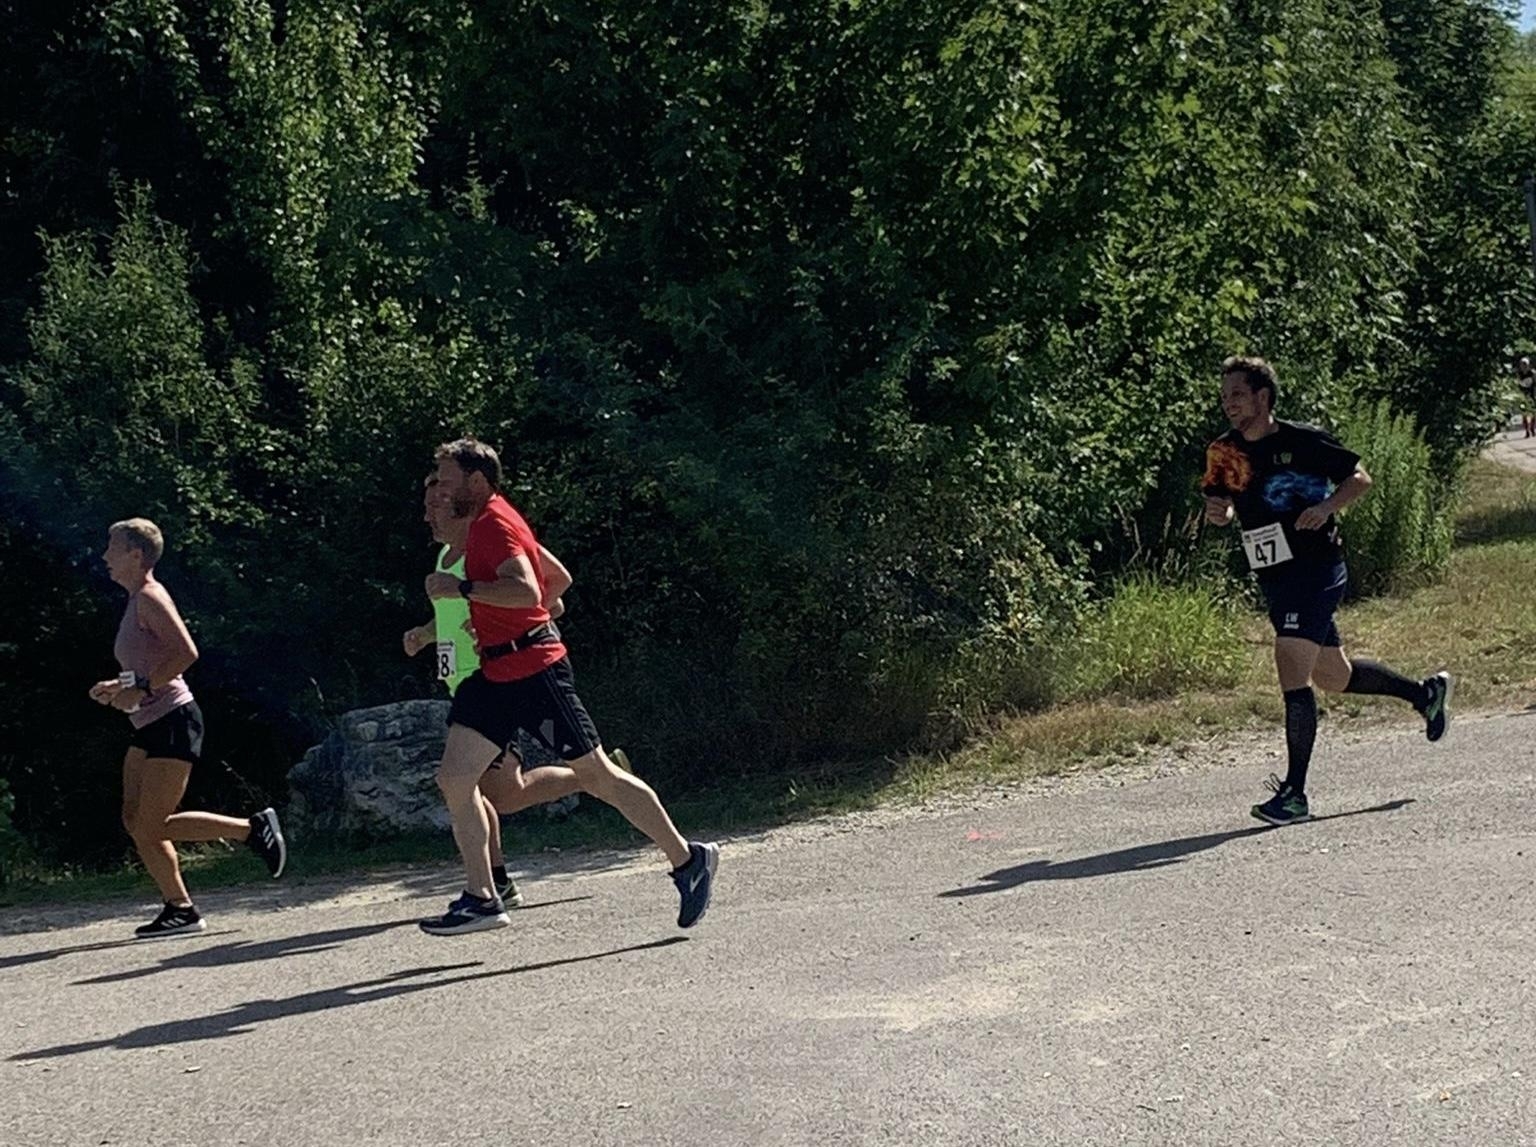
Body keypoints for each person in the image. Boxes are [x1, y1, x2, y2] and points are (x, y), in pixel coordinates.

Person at [417, 438, 718, 935]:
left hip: (535, 672)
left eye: (448, 481)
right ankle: (483, 897)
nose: (441, 491)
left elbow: (527, 589)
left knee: (598, 775)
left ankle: (689, 860)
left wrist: (466, 591)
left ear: (477, 481)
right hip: (494, 673)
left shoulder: (494, 525)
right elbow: (551, 583)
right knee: (455, 778)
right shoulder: (482, 524)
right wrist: (490, 617)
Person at [1200, 357, 1453, 826]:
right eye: (1224, 397)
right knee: (1333, 676)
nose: (1228, 404)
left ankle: (1294, 795)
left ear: (1262, 397)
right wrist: (1222, 514)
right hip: (1275, 575)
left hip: (1317, 568)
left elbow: (1359, 478)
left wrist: (1326, 507)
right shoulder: (1224, 451)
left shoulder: (1303, 440)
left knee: (1289, 663)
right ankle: (1425, 694)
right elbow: (1224, 502)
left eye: (1237, 394)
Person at [404, 474, 606, 906]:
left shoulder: (490, 542)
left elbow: (552, 591)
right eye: (425, 506)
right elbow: (452, 616)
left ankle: (492, 886)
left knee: (477, 788)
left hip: (495, 680)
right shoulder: (445, 557)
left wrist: (510, 631)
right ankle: (497, 882)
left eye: (435, 505)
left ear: (459, 503)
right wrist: (425, 634)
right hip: (464, 686)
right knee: (493, 792)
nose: (427, 516)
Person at [89, 518, 286, 938]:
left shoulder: (149, 597)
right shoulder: (136, 600)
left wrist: (142, 687)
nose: (105, 556)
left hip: (174, 719)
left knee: (152, 824)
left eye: (112, 547)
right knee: (134, 818)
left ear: (136, 555)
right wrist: (120, 685)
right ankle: (180, 909)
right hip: (149, 722)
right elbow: (149, 663)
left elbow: (185, 653)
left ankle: (251, 830)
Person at [1516, 356, 1535, 438]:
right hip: (1523, 395)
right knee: (1524, 413)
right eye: (1522, 364)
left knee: (1534, 413)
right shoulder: (1519, 374)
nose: (1523, 366)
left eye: (1525, 364)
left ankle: (1532, 428)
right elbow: (1518, 384)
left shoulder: (1532, 373)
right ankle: (1527, 431)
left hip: (1532, 394)